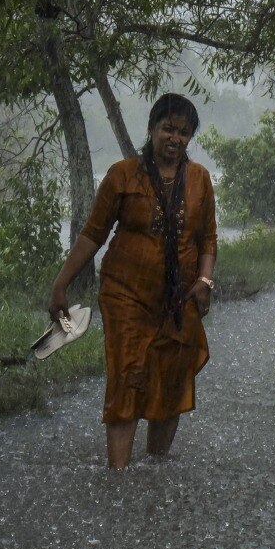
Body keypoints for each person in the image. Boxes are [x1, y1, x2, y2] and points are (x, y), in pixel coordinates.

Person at [49, 93, 217, 468]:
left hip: (179, 300)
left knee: (171, 382)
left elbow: (207, 238)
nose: (175, 138)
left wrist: (205, 280)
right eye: (168, 129)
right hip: (125, 295)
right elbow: (93, 234)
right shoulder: (123, 175)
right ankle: (119, 478)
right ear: (152, 128)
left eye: (184, 132)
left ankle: (154, 472)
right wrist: (61, 284)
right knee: (127, 378)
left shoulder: (200, 180)